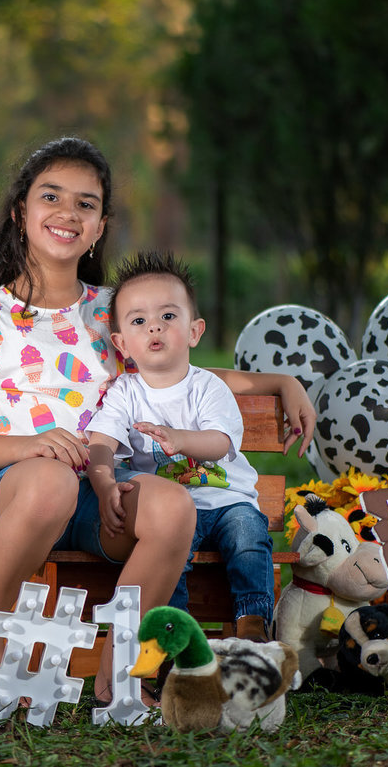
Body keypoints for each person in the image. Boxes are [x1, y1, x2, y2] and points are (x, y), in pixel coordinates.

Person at [0, 137, 315, 702]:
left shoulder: (115, 309)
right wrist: (31, 445)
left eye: (86, 204)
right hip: (19, 497)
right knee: (51, 478)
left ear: (101, 225)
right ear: (21, 212)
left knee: (171, 503)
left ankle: (122, 669)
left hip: (99, 498)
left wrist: (281, 382)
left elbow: (184, 372)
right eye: (51, 197)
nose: (68, 213)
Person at [84, 251, 274, 643]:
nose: (154, 327)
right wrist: (104, 485)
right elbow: (101, 443)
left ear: (194, 331)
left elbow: (220, 442)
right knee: (171, 559)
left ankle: (252, 624)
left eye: (168, 317)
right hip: (172, 513)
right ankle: (178, 637)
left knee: (248, 536)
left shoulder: (207, 387)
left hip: (225, 500)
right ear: (121, 342)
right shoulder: (125, 393)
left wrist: (179, 439)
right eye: (139, 321)